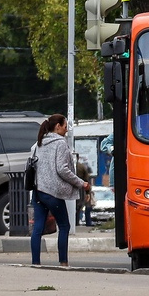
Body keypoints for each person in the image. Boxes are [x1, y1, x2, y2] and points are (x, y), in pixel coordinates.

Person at [30, 113, 90, 267]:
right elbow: (62, 169)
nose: (66, 130)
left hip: (38, 191)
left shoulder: (38, 144)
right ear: (57, 127)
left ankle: (35, 263)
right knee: (64, 226)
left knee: (38, 227)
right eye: (65, 126)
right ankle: (63, 262)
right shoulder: (60, 143)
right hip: (52, 193)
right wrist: (81, 183)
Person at [75, 155, 95, 227]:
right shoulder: (81, 166)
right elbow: (86, 180)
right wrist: (88, 192)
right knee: (79, 206)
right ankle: (78, 223)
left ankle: (75, 223)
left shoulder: (67, 166)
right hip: (80, 188)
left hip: (70, 188)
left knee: (75, 207)